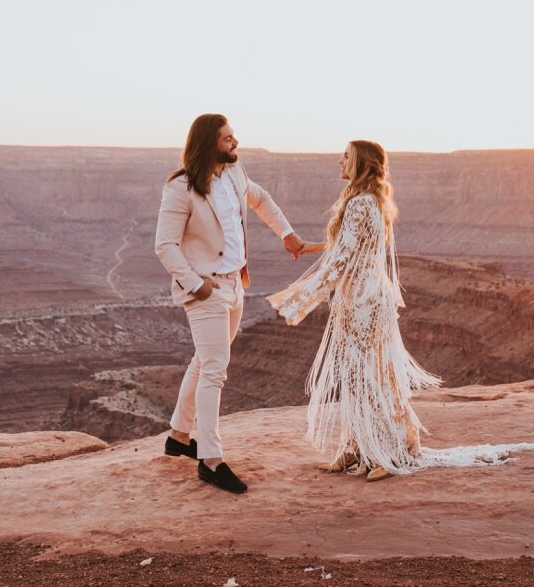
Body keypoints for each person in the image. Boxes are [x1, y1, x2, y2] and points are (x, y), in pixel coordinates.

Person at [267, 140, 440, 481]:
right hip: (368, 298)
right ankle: (357, 447)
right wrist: (310, 248)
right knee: (360, 374)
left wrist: (303, 296)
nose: (339, 160)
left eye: (346, 156)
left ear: (361, 162)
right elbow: (348, 245)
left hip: (361, 302)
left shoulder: (360, 203)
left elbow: (344, 257)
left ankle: (383, 453)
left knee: (364, 376)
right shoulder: (372, 201)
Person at [154, 113, 306, 494]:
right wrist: (195, 285)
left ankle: (178, 436)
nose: (235, 142)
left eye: (234, 136)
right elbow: (165, 245)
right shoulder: (180, 188)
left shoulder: (235, 175)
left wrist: (286, 234)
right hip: (206, 290)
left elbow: (261, 199)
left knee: (203, 362)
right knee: (215, 371)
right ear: (209, 143)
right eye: (227, 138)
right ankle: (210, 459)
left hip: (235, 285)